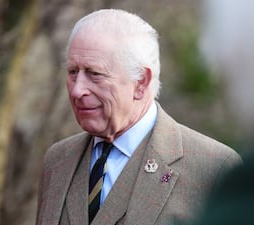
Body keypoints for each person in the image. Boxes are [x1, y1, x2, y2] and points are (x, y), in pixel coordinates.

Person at [36, 9, 242, 225]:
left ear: (141, 82)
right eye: (72, 72)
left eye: (94, 73)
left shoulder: (214, 167)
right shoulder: (58, 160)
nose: (78, 90)